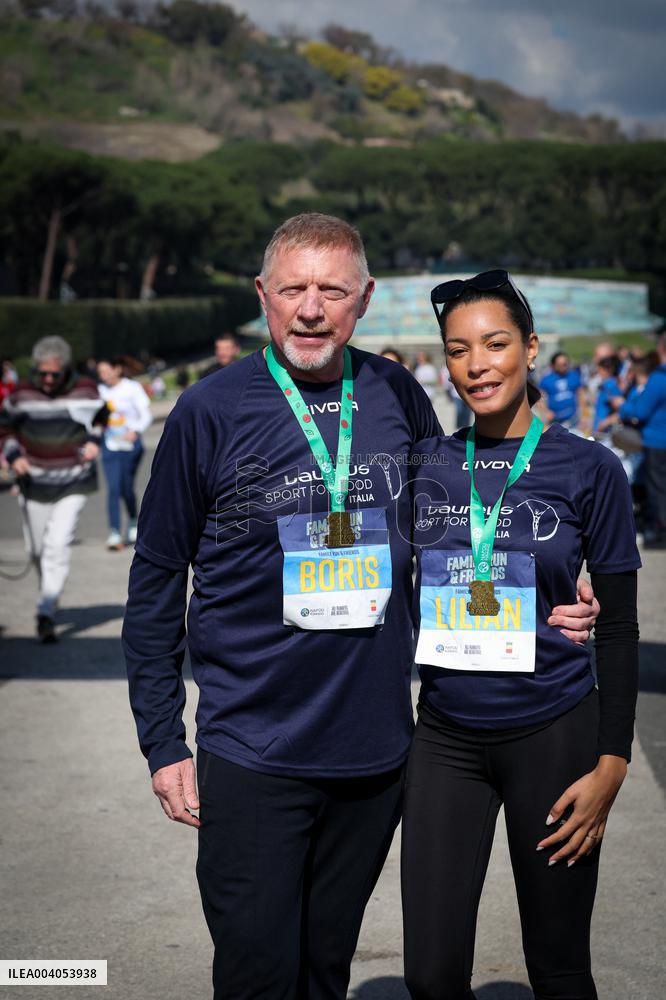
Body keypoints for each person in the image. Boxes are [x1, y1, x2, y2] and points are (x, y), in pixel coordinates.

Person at [122, 218, 598, 1000]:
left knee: (324, 971)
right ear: (262, 298)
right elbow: (155, 581)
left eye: (332, 290)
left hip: (375, 757)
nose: (311, 309)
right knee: (256, 975)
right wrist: (161, 740)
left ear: (365, 299)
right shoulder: (208, 411)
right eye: (293, 289)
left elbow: (459, 521)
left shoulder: (394, 392)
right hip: (253, 750)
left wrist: (568, 580)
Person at [402, 270, 640, 1000]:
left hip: (554, 733)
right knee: (432, 975)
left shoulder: (590, 468)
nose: (478, 365)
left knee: (559, 966)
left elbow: (622, 628)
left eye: (496, 344)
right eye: (459, 350)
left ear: (530, 349)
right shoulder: (426, 465)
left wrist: (612, 765)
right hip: (445, 738)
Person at [0, 336, 103, 642]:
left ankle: (45, 609)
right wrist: (15, 456)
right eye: (42, 373)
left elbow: (100, 419)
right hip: (33, 480)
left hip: (73, 479)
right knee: (35, 550)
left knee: (57, 545)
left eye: (54, 375)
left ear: (66, 370)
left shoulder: (85, 389)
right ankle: (50, 591)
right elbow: (5, 428)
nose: (47, 380)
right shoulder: (21, 394)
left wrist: (94, 443)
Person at [97, 356, 152, 550]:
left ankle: (132, 521)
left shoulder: (131, 388)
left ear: (117, 369)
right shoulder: (100, 391)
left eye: (105, 371)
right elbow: (93, 418)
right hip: (110, 445)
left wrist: (134, 430)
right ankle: (113, 532)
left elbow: (146, 414)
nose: (102, 375)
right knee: (113, 489)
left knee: (126, 488)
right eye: (100, 372)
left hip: (131, 445)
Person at [619, 332, 666, 546]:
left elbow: (640, 411)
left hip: (657, 441)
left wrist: (623, 405)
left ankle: (659, 532)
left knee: (657, 489)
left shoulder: (658, 378)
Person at [538, 350, 584, 428]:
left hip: (573, 419)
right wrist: (546, 411)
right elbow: (539, 398)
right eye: (561, 364)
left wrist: (583, 414)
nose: (564, 366)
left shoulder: (574, 375)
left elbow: (581, 394)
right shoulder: (546, 379)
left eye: (565, 364)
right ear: (553, 365)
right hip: (555, 421)